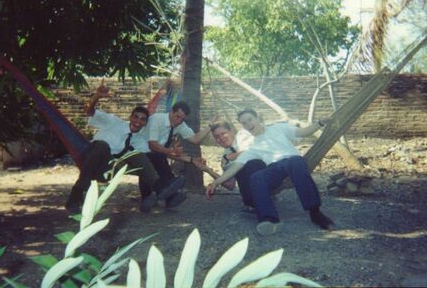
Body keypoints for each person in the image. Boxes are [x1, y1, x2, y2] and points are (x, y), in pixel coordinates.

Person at [206, 108, 334, 236]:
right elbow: (236, 166)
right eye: (244, 123)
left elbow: (304, 132)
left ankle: (315, 212)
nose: (248, 124)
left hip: (292, 161)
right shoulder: (251, 146)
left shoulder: (279, 128)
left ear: (258, 118)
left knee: (297, 162)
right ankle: (269, 219)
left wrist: (320, 123)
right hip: (275, 169)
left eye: (250, 119)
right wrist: (216, 182)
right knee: (257, 177)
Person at [65, 80, 185, 214]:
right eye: (136, 117)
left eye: (142, 119)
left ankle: (161, 189)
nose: (138, 122)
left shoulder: (139, 140)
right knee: (101, 145)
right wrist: (97, 96)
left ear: (145, 123)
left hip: (110, 168)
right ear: (130, 117)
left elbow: (150, 158)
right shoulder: (113, 122)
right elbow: (89, 111)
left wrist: (171, 152)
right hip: (92, 158)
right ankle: (76, 195)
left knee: (142, 155)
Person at [144, 101, 217, 208]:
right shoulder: (156, 119)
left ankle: (168, 196)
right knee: (159, 156)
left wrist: (210, 126)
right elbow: (152, 145)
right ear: (171, 111)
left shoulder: (179, 125)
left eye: (182, 119)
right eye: (177, 116)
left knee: (160, 157)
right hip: (140, 153)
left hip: (157, 155)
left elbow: (195, 139)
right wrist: (170, 151)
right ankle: (169, 194)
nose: (179, 121)